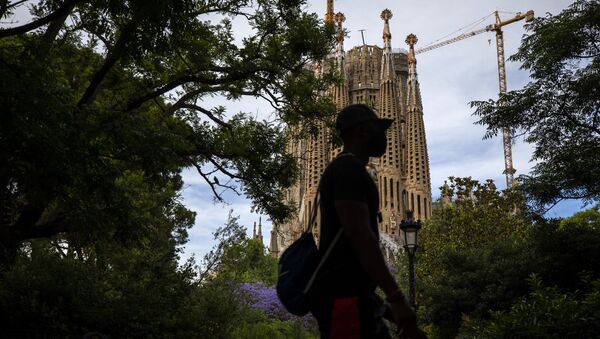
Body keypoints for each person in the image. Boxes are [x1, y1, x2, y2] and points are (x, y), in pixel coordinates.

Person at [309, 104, 425, 339]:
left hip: (354, 300)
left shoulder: (348, 168)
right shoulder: (347, 169)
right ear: (362, 131)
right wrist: (396, 297)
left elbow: (351, 264)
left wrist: (387, 310)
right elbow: (359, 235)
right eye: (379, 129)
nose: (385, 136)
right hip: (344, 304)